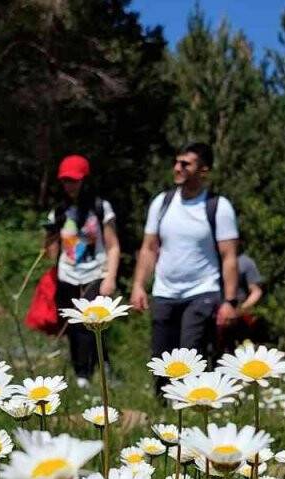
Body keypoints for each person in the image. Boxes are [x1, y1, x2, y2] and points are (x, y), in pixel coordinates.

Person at [130, 141, 240, 379]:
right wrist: (139, 285)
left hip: (202, 293)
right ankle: (162, 411)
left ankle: (192, 409)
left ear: (203, 170)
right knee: (160, 362)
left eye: (185, 164)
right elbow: (149, 248)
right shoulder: (162, 203)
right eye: (176, 162)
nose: (177, 168)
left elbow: (229, 256)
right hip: (164, 293)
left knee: (191, 357)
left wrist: (230, 301)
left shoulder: (218, 207)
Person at [43, 155, 120, 388]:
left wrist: (110, 277)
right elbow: (49, 250)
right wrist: (50, 235)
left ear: (85, 180)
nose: (70, 186)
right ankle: (88, 367)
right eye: (66, 181)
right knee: (73, 327)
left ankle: (85, 375)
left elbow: (113, 245)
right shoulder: (58, 211)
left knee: (89, 322)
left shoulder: (99, 208)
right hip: (67, 275)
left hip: (95, 273)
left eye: (74, 180)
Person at [218, 248, 264, 352]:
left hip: (239, 316)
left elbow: (256, 291)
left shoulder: (245, 262)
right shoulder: (213, 261)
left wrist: (241, 309)